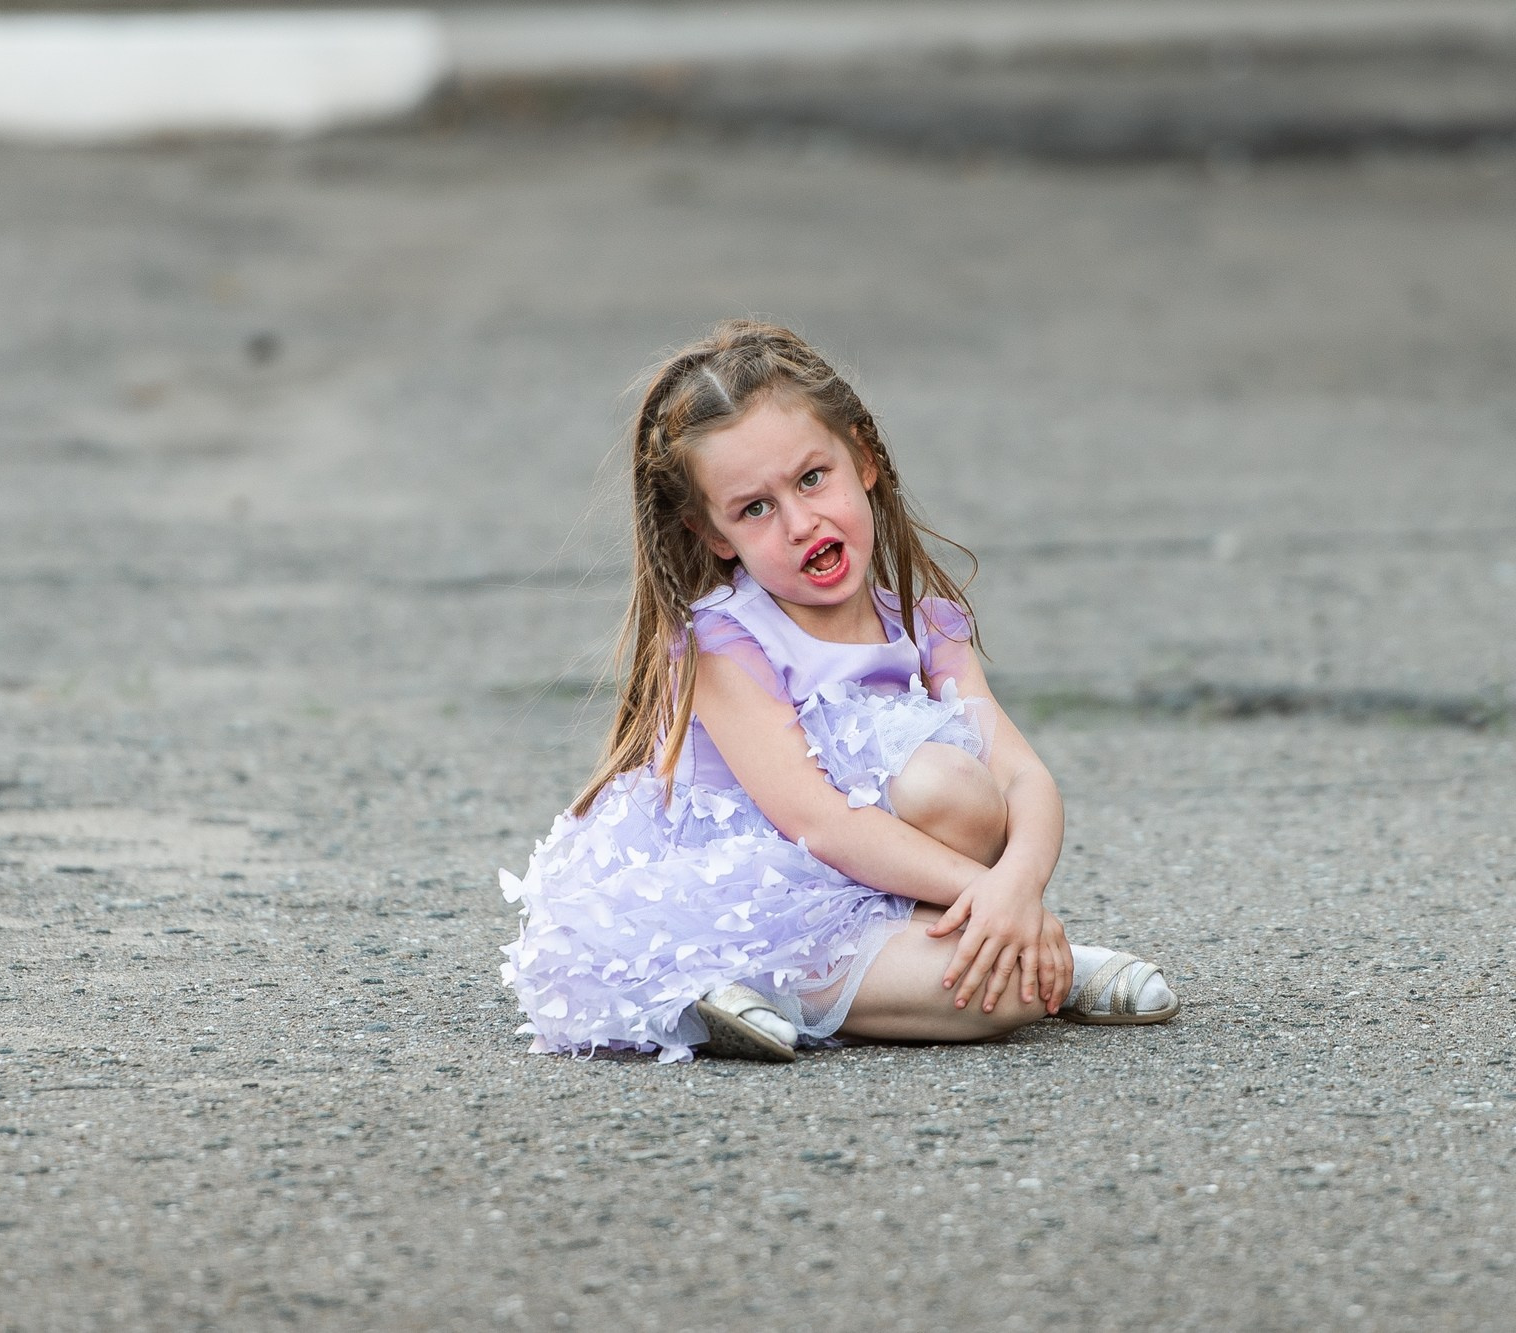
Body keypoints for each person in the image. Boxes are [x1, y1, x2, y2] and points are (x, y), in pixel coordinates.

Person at [501, 320, 1177, 1063]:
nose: (800, 522)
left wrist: (1017, 888)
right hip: (741, 901)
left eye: (811, 478)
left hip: (879, 890)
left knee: (956, 789)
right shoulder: (723, 640)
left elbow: (1022, 778)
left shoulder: (927, 627)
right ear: (714, 534)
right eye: (754, 508)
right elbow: (818, 822)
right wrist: (991, 897)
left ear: (862, 458)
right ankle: (737, 980)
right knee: (1011, 993)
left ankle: (910, 967)